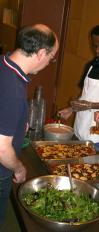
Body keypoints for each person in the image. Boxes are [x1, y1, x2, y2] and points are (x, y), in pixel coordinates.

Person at [0, 23, 59, 227]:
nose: (49, 63)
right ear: (42, 53)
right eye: (51, 58)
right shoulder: (14, 88)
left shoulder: (4, 63)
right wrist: (18, 168)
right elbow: (1, 148)